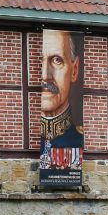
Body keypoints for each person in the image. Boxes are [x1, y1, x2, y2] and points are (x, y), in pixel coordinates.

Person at [40, 29, 83, 168]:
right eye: (39, 61)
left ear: (74, 70)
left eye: (57, 60)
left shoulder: (78, 139)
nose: (45, 76)